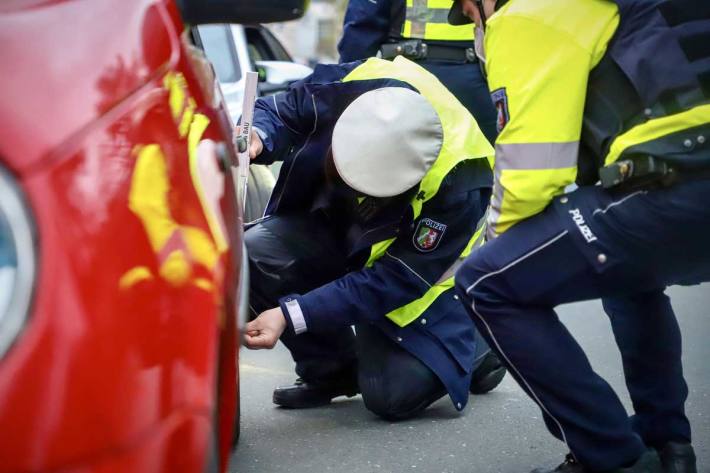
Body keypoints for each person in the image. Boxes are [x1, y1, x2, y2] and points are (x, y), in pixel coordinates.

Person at [448, 0, 710, 472]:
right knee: (629, 278)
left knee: (485, 282)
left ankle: (614, 459)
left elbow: (531, 171)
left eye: (468, 11)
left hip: (677, 181)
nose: (471, 22)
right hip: (687, 175)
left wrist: (499, 250)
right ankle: (669, 445)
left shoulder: (526, 14)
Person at [241, 56, 507, 420]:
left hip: (417, 280)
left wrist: (290, 315)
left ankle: (476, 345)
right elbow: (285, 110)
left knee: (390, 396)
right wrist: (258, 134)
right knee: (255, 253)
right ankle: (332, 371)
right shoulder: (357, 83)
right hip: (345, 227)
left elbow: (394, 280)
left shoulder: (458, 184)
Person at [337, 0, 498, 145]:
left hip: (408, 87)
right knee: (484, 167)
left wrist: (347, 96)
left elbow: (361, 33)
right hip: (482, 84)